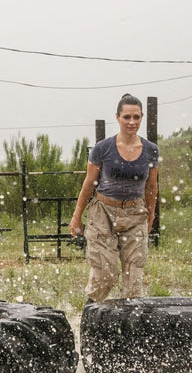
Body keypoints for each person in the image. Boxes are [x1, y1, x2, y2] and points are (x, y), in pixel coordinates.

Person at [69, 93, 159, 302]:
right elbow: (88, 184)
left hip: (135, 213)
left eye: (136, 117)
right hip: (103, 212)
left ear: (141, 118)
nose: (132, 122)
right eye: (127, 117)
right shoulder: (103, 149)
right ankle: (89, 320)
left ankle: (127, 329)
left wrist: (151, 214)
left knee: (133, 279)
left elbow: (152, 186)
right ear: (118, 117)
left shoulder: (151, 150)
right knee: (105, 275)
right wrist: (77, 216)